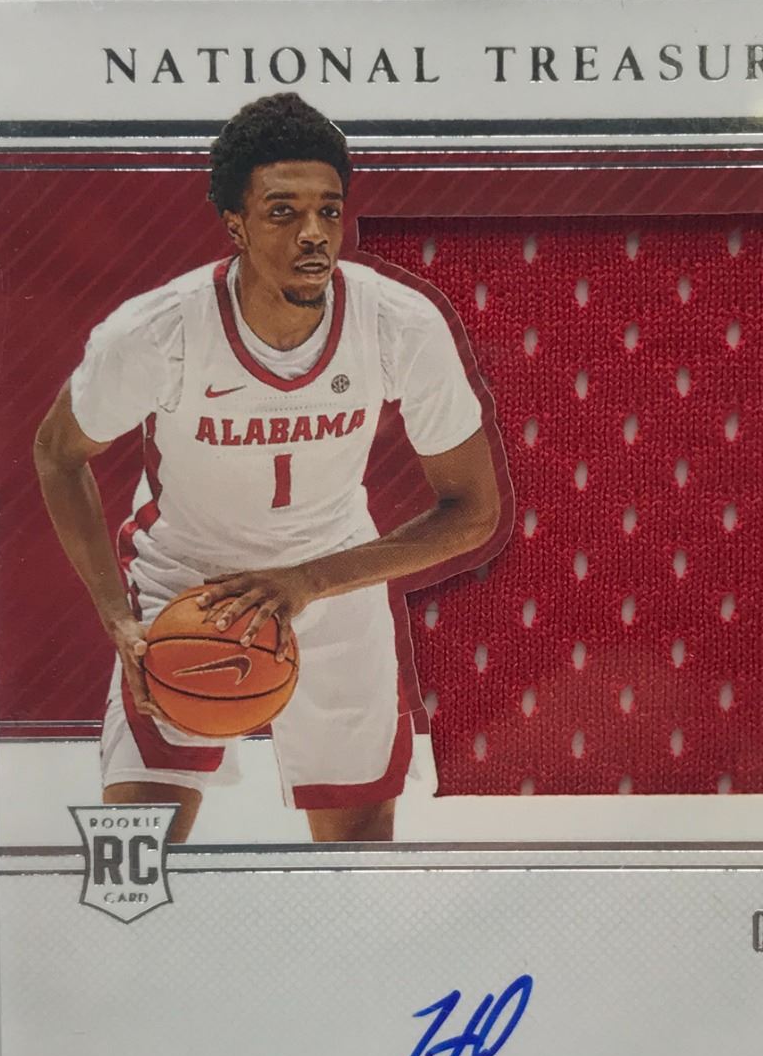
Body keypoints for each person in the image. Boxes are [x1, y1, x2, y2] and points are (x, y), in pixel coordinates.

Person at [34, 92, 505, 843]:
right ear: (236, 225)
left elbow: (475, 511)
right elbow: (58, 453)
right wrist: (116, 615)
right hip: (187, 578)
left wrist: (308, 581)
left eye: (329, 210)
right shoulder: (158, 331)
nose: (314, 233)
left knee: (358, 850)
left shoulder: (400, 323)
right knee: (133, 857)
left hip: (333, 577)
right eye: (283, 211)